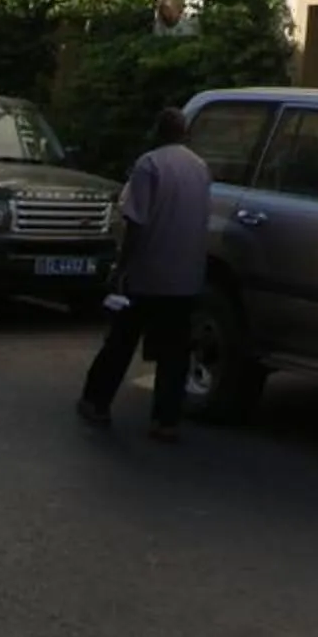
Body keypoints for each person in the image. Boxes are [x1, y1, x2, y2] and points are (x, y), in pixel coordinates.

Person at [76, 104, 211, 442]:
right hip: (185, 276)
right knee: (175, 352)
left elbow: (136, 221)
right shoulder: (200, 167)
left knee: (121, 342)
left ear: (157, 132)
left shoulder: (149, 165)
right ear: (185, 133)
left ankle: (96, 402)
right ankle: (166, 420)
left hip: (149, 273)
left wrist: (123, 267)